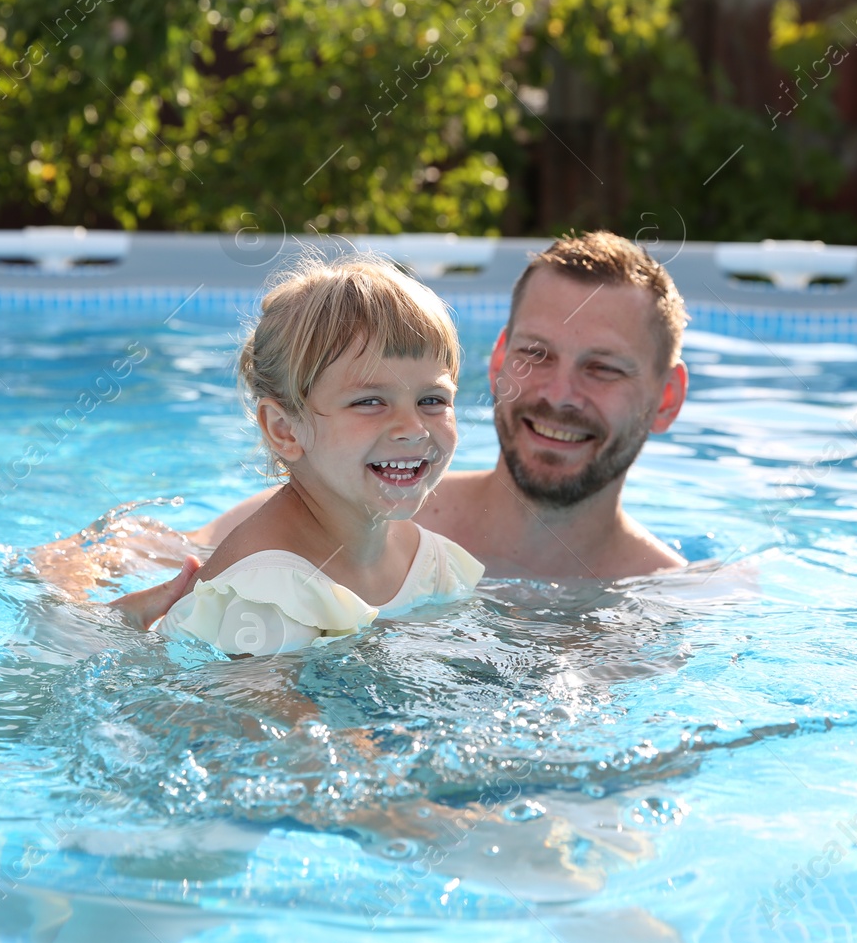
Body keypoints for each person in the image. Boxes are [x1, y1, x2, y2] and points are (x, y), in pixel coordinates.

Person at [37, 230, 691, 621]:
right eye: (535, 354)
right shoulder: (348, 511)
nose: (557, 394)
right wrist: (93, 627)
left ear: (666, 398)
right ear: (498, 361)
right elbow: (97, 557)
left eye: (603, 368)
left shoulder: (671, 602)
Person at [135, 254, 483, 653]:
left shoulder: (430, 564)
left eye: (432, 399)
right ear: (285, 429)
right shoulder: (263, 595)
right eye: (370, 401)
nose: (413, 429)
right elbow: (258, 715)